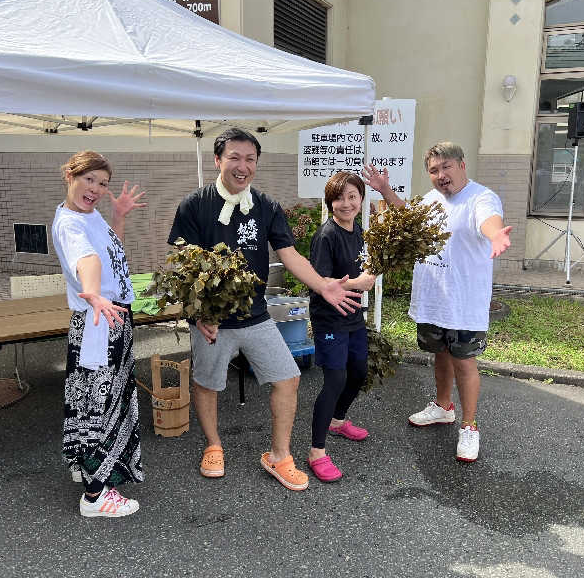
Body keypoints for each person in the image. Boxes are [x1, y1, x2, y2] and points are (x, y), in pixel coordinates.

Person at [168, 127, 362, 491]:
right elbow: (182, 263)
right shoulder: (195, 205)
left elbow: (289, 255)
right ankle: (213, 445)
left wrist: (323, 285)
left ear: (257, 163)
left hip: (257, 316)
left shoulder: (267, 206)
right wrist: (198, 313)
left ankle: (279, 456)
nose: (242, 166)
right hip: (211, 320)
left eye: (250, 159)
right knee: (208, 384)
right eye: (234, 158)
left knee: (288, 378)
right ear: (218, 160)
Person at [363, 142, 512, 462]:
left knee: (464, 362)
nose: (441, 175)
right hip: (434, 297)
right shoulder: (431, 199)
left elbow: (489, 220)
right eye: (434, 170)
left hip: (463, 302)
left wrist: (496, 235)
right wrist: (386, 190)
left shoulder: (481, 198)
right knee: (440, 353)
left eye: (446, 167)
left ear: (462, 165)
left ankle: (470, 426)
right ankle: (443, 407)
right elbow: (410, 218)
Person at [52, 151, 147, 516]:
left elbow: (110, 254)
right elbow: (86, 260)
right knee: (101, 406)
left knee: (90, 399)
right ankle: (96, 495)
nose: (95, 189)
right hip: (99, 322)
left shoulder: (88, 216)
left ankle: (83, 467)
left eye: (102, 183)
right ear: (70, 176)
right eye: (89, 179)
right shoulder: (70, 225)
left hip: (106, 316)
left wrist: (118, 217)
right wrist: (92, 292)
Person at [307, 171, 376, 482]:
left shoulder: (358, 231)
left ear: (361, 199)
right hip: (329, 319)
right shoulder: (326, 237)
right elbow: (320, 283)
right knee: (335, 379)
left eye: (352, 196)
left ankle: (338, 421)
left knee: (359, 372)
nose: (346, 203)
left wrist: (370, 273)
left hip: (353, 317)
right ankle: (316, 452)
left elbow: (364, 268)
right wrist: (363, 281)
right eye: (339, 197)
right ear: (329, 202)